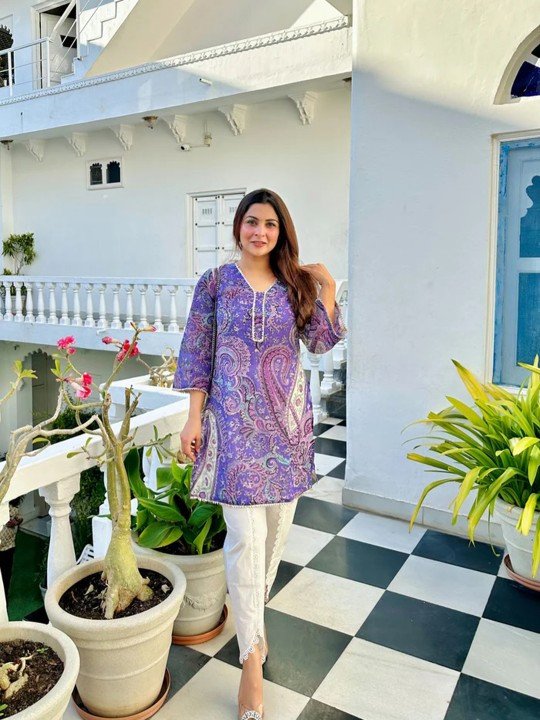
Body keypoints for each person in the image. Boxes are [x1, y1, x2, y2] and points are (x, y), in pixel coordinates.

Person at [173, 188, 347, 720]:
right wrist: (193, 417)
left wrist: (328, 288)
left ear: (281, 232)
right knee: (244, 539)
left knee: (273, 537)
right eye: (252, 221)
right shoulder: (215, 283)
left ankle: (254, 623)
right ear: (238, 227)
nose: (261, 232)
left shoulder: (295, 284)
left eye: (271, 224)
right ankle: (249, 657)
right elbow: (197, 352)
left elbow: (322, 342)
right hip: (231, 428)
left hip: (286, 430)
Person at [0, 498, 23, 600]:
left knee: (6, 573)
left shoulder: (13, 506)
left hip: (9, 546)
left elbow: (20, 517)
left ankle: (4, 597)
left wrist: (16, 522)